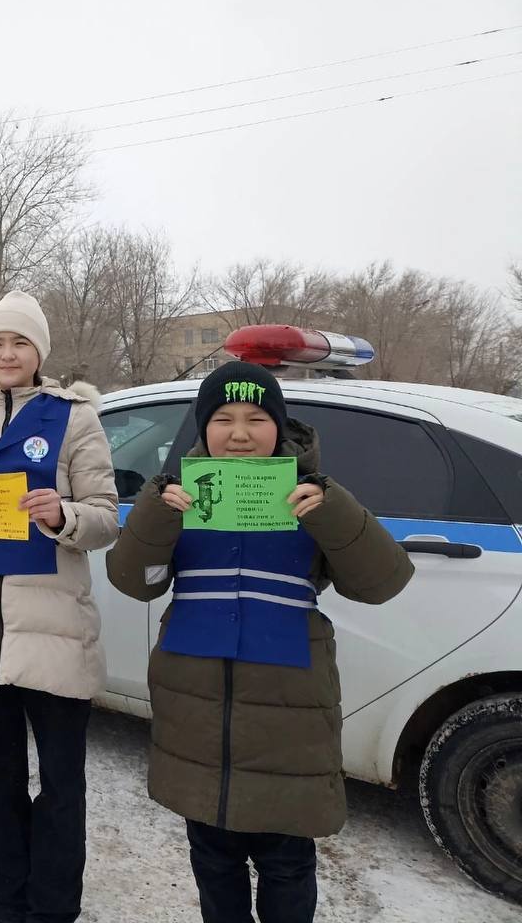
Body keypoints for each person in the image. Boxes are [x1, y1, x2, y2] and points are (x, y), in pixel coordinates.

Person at [105, 361, 413, 923]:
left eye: (256, 418)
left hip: (289, 716)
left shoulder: (310, 495)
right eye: (223, 419)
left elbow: (382, 584)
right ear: (204, 428)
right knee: (212, 859)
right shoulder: (182, 495)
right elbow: (136, 582)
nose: (240, 434)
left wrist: (332, 509)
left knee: (287, 863)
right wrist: (155, 512)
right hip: (196, 712)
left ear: (280, 426)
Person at [0, 291, 119, 923]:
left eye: (20, 343)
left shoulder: (74, 418)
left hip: (55, 631)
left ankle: (53, 908)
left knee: (60, 786)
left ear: (40, 351)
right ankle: (7, 902)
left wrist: (64, 515)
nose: (7, 354)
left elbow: (105, 518)